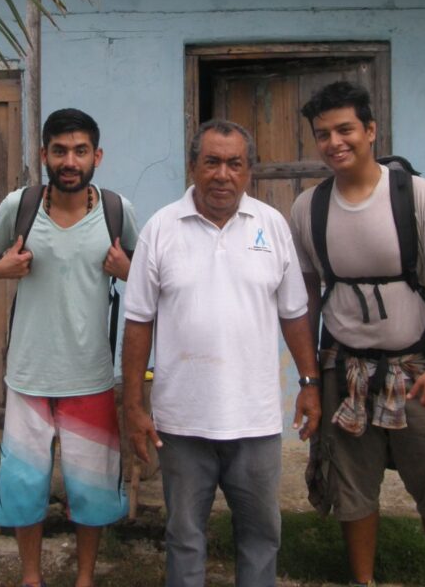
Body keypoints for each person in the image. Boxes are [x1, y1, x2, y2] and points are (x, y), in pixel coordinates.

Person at [288, 81, 425, 587]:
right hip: (344, 369)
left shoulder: (416, 195)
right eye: (323, 134)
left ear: (370, 130)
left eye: (345, 129)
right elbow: (306, 298)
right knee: (351, 485)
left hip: (417, 369)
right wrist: (310, 381)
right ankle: (363, 580)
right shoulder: (308, 209)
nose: (335, 142)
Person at [122, 119, 321, 587]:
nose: (222, 174)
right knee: (185, 537)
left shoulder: (271, 226)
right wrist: (133, 405)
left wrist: (309, 384)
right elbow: (138, 322)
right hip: (181, 423)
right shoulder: (160, 229)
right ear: (193, 166)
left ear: (248, 171)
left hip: (254, 422)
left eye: (234, 164)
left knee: (260, 537)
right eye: (211, 162)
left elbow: (294, 313)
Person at [0, 108, 137, 587]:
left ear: (97, 156)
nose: (71, 160)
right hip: (28, 375)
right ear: (44, 154)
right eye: (61, 150)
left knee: (91, 490)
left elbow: (147, 273)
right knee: (25, 486)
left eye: (81, 151)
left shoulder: (115, 210)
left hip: (90, 375)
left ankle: (85, 577)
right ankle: (31, 577)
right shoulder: (19, 205)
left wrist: (127, 271)